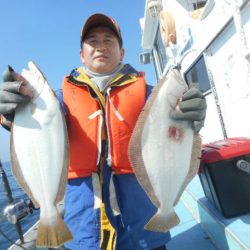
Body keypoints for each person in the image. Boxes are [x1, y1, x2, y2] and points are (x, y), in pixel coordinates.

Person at [0, 13, 206, 250]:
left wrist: (194, 114)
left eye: (109, 40)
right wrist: (12, 113)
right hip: (83, 229)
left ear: (122, 52)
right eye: (93, 41)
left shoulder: (155, 97)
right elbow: (34, 132)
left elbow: (181, 128)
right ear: (82, 54)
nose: (101, 46)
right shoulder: (56, 100)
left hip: (143, 229)